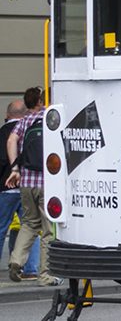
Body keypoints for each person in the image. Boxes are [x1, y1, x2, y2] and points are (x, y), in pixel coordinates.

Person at [6, 87, 55, 286]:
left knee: (28, 223)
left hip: (26, 182)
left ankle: (16, 261)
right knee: (48, 230)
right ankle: (45, 275)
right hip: (46, 182)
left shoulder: (25, 121)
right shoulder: (51, 118)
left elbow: (11, 140)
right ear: (41, 101)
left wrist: (15, 169)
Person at [0, 101, 23, 270]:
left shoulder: (3, 133)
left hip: (6, 187)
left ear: (7, 115)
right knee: (30, 228)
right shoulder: (29, 129)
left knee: (1, 228)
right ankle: (30, 268)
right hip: (28, 186)